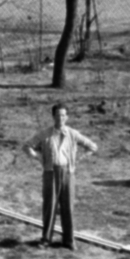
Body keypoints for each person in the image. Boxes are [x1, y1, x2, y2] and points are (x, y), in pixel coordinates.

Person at [24, 102, 99, 251]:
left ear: (67, 117)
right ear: (53, 117)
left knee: (68, 207)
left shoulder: (72, 133)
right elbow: (26, 146)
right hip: (50, 173)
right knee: (49, 207)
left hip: (68, 173)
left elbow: (92, 146)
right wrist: (39, 158)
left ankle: (69, 240)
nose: (61, 118)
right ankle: (46, 239)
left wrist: (77, 160)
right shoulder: (45, 133)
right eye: (58, 115)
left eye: (63, 115)